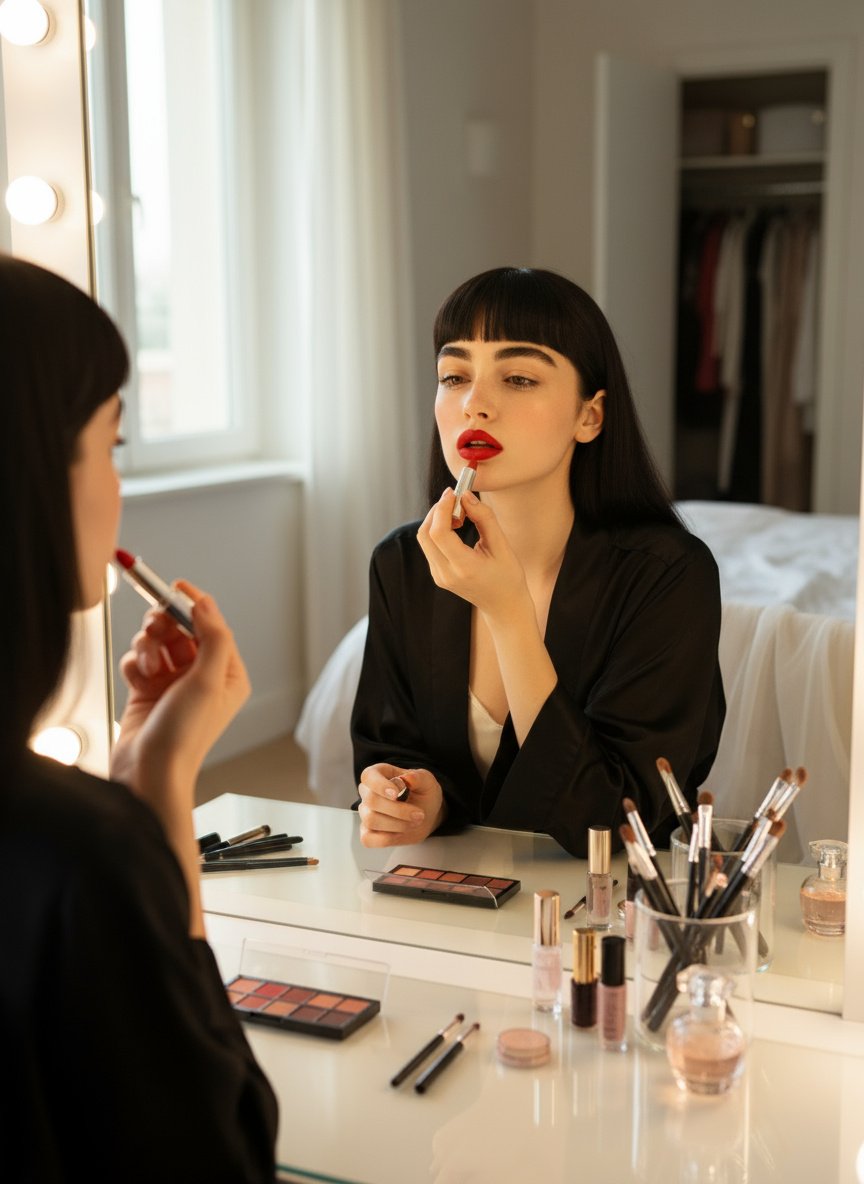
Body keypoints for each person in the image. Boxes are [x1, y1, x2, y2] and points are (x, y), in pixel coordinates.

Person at [0, 255, 278, 1182]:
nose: (117, 485)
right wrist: (157, 802)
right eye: (111, 445)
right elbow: (226, 1149)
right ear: (34, 467)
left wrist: (132, 775)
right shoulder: (80, 857)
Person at [351, 266, 725, 858]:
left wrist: (508, 614)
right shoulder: (403, 562)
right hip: (449, 909)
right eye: (454, 376)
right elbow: (392, 754)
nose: (475, 403)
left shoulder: (668, 575)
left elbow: (616, 825)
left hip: (600, 918)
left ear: (590, 417)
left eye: (519, 378)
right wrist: (416, 798)